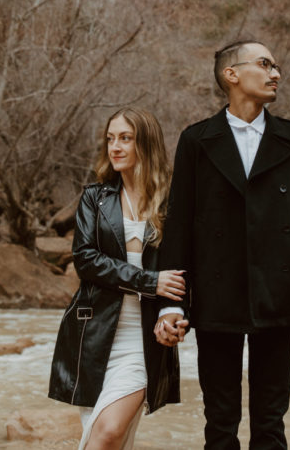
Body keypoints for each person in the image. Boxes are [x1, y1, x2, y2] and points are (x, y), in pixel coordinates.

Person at [154, 40, 290, 449]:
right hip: (217, 294)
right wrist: (171, 303)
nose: (276, 74)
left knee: (271, 424)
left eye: (276, 67)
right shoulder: (197, 140)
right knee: (219, 423)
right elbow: (178, 223)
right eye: (266, 64)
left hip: (279, 292)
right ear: (231, 74)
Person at [49, 107, 188, 449]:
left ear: (147, 143)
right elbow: (85, 260)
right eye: (111, 139)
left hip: (142, 341)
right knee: (108, 438)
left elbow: (187, 267)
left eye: (125, 138)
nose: (115, 147)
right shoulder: (95, 198)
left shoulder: (175, 202)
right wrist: (148, 280)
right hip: (91, 337)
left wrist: (175, 313)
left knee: (108, 432)